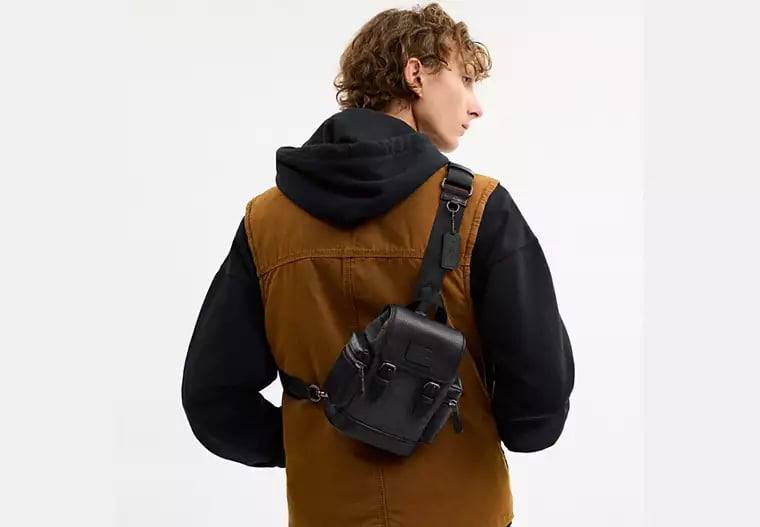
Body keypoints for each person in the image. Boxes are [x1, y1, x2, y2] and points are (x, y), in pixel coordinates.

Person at [181, 3, 574, 526]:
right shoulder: (480, 207)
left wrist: (313, 437)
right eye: (464, 79)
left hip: (327, 510)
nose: (475, 106)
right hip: (461, 510)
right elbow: (538, 406)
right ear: (416, 74)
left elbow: (211, 398)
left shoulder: (266, 220)